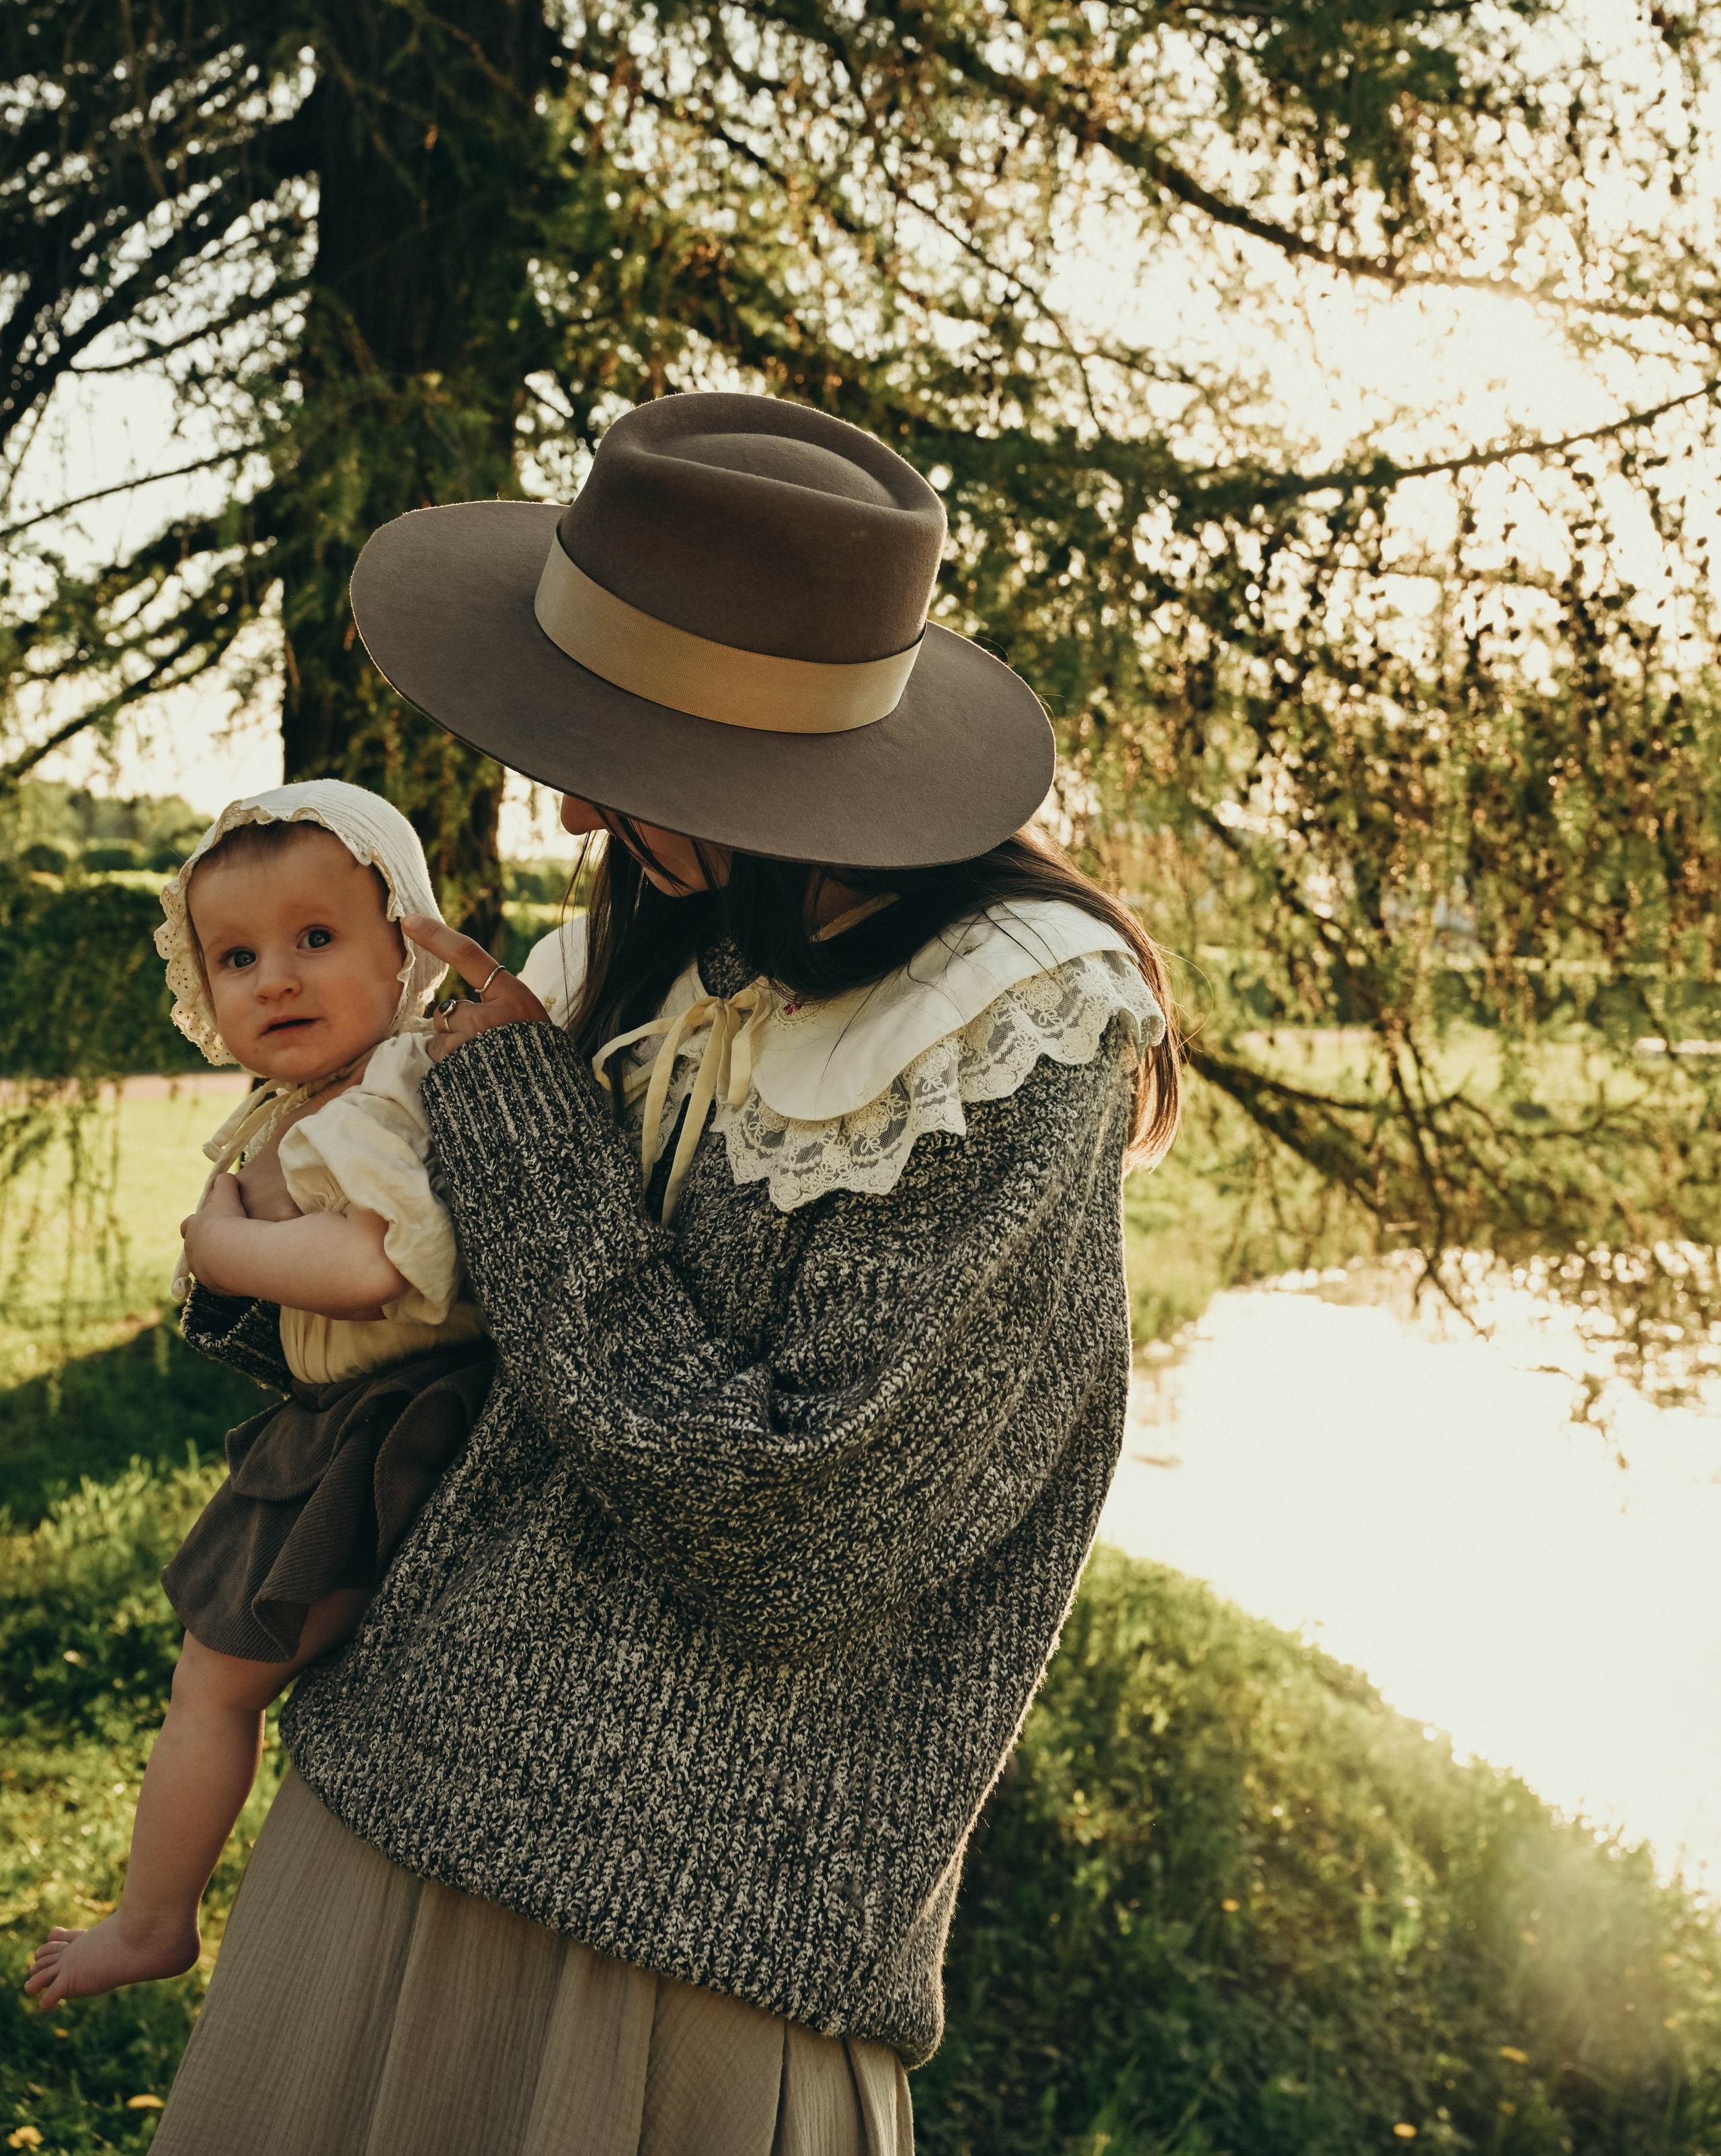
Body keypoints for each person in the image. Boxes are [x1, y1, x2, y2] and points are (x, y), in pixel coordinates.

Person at [148, 391, 1181, 2156]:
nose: (561, 806)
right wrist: (289, 1220)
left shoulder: (1012, 1024)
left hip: (679, 1961)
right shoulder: (648, 943)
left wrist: (505, 1122)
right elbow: (434, 1329)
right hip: (385, 1816)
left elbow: (794, 1542)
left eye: (616, 759)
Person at [26, 783, 492, 2013]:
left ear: (409, 945)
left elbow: (371, 1264)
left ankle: (152, 1920)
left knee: (214, 1681)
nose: (274, 980)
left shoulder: (380, 1101)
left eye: (316, 939)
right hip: (367, 1416)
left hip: (383, 1426)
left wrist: (219, 1244)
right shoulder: (322, 1104)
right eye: (237, 957)